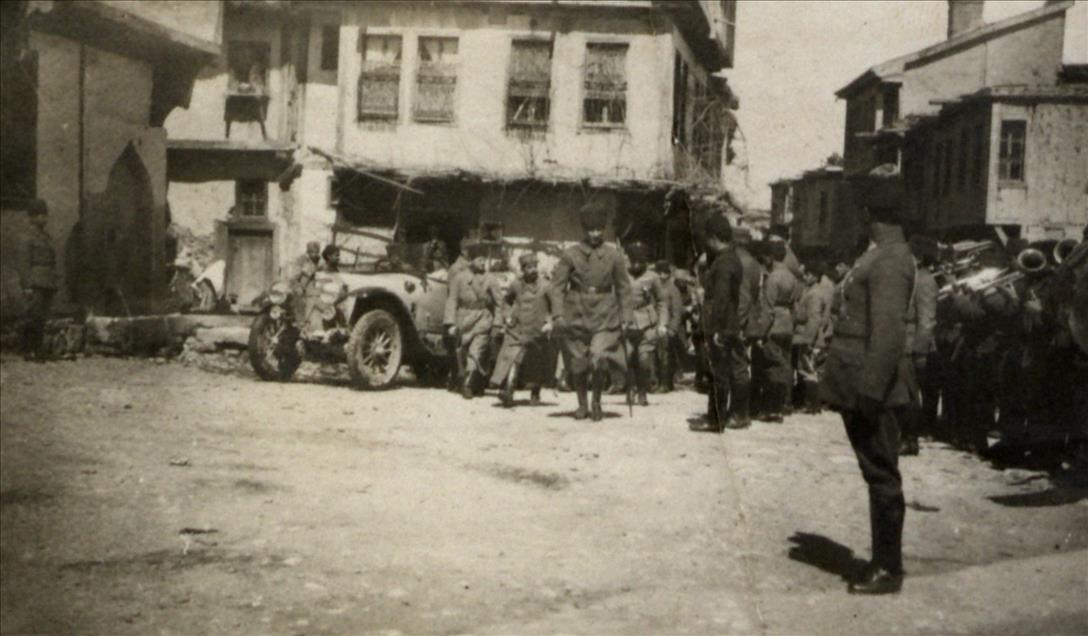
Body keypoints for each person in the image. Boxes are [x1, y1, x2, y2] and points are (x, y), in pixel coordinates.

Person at [820, 205, 917, 595]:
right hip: (856, 378)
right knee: (875, 470)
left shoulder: (891, 259)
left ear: (874, 215)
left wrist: (872, 390)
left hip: (869, 384)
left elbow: (888, 334)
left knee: (881, 472)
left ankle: (888, 568)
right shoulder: (878, 253)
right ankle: (883, 562)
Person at [549, 201, 634, 421]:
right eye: (591, 230)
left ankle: (596, 401)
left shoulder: (614, 255)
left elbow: (624, 288)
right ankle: (581, 404)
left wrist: (626, 317)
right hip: (575, 312)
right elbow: (557, 287)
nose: (595, 234)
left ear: (604, 229)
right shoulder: (570, 254)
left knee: (598, 357)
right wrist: (557, 314)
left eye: (599, 229)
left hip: (605, 313)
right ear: (584, 230)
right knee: (578, 361)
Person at [490, 253, 559, 407]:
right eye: (529, 267)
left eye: (534, 266)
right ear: (523, 269)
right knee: (511, 358)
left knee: (536, 362)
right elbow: (506, 302)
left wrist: (550, 322)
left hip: (537, 329)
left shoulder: (546, 285)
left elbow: (555, 306)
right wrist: (507, 317)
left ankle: (535, 392)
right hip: (517, 327)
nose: (532, 270)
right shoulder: (516, 284)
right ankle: (507, 389)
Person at [695, 215, 744, 431]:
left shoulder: (724, 263)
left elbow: (721, 298)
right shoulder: (731, 258)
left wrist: (716, 330)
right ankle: (716, 417)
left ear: (714, 237)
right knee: (720, 372)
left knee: (718, 373)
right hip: (728, 324)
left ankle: (716, 419)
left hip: (721, 326)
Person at [444, 243, 502, 399]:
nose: (483, 262)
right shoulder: (459, 278)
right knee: (463, 351)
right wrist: (450, 323)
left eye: (485, 259)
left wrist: (497, 323)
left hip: (483, 317)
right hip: (464, 319)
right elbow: (452, 300)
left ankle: (468, 385)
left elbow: (499, 304)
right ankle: (475, 382)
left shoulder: (491, 279)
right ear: (471, 261)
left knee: (476, 349)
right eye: (479, 259)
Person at [759, 240, 802, 422]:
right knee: (786, 364)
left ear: (770, 257)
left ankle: (772, 408)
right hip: (788, 324)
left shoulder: (773, 278)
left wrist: (761, 332)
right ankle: (786, 403)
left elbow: (768, 309)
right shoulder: (792, 278)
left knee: (772, 366)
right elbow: (795, 304)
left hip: (775, 324)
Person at [903, 242, 939, 456]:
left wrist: (921, 351)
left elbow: (927, 320)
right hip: (903, 341)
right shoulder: (913, 279)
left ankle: (910, 439)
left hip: (913, 345)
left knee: (909, 394)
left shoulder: (925, 281)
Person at [625, 243, 668, 406]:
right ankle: (630, 388)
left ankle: (642, 391)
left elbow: (661, 302)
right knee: (628, 357)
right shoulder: (622, 275)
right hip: (626, 322)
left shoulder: (653, 277)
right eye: (633, 261)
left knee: (643, 360)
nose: (636, 265)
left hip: (647, 323)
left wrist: (662, 323)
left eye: (640, 262)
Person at [19, 200, 58, 361]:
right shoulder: (27, 237)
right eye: (41, 215)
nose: (45, 218)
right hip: (35, 281)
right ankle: (29, 351)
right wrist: (26, 286)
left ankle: (38, 349)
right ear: (32, 218)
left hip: (47, 281)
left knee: (41, 317)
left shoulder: (46, 236)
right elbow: (23, 263)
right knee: (32, 317)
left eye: (45, 215)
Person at [653, 260, 685, 393]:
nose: (662, 275)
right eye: (659, 272)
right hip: (656, 326)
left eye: (664, 273)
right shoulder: (654, 287)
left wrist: (672, 328)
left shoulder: (673, 289)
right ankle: (659, 381)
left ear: (668, 274)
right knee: (657, 356)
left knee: (666, 355)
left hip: (668, 327)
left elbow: (677, 310)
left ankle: (666, 383)